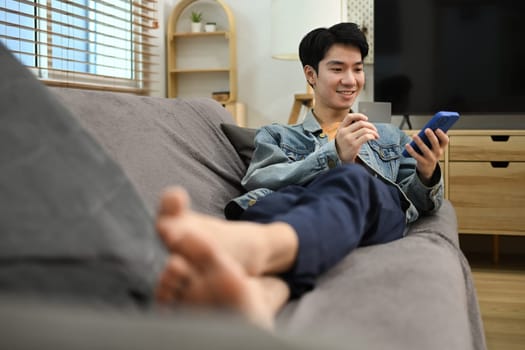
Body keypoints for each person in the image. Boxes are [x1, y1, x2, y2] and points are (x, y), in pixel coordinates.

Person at [154, 22, 448, 329]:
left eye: (357, 69)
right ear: (311, 74)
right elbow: (258, 181)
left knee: (354, 180)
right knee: (277, 203)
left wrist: (427, 173)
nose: (350, 80)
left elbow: (418, 204)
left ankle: (249, 248)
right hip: (299, 208)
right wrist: (332, 154)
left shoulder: (388, 135)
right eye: (337, 69)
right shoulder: (277, 135)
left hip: (379, 211)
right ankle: (264, 295)